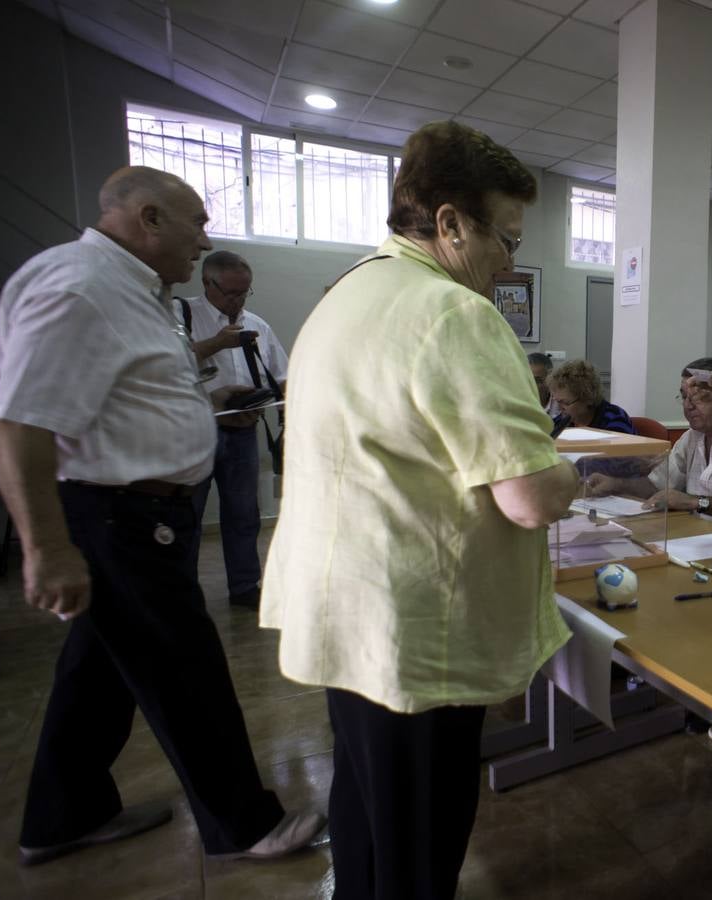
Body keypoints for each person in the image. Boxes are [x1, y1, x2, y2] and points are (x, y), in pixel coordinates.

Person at [259, 121, 579, 899]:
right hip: (416, 636)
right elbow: (530, 497)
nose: (509, 264)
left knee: (367, 811)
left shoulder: (348, 295)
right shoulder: (454, 313)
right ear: (448, 224)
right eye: (503, 239)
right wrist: (572, 470)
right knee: (422, 843)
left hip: (349, 614)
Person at [0, 166, 323, 866]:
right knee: (184, 670)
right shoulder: (79, 287)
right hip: (117, 517)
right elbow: (18, 422)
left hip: (135, 515)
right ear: (148, 217)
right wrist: (45, 549)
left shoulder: (130, 290)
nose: (205, 239)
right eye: (196, 221)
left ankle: (61, 815)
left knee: (99, 672)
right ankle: (245, 824)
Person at [182, 250, 288, 609]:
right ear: (207, 282)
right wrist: (217, 343)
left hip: (244, 432)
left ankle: (245, 586)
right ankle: (184, 593)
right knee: (188, 517)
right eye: (230, 293)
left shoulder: (258, 325)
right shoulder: (181, 315)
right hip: (193, 434)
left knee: (244, 514)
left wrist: (266, 403)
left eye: (244, 293)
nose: (237, 301)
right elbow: (165, 365)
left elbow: (282, 376)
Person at [583, 357, 712, 522]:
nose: (688, 405)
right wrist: (615, 484)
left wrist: (694, 502)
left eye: (698, 397)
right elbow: (657, 485)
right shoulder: (692, 436)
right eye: (685, 397)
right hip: (699, 534)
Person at [547, 358, 634, 437]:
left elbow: (617, 451)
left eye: (565, 403)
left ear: (588, 398)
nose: (559, 408)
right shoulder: (561, 421)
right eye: (557, 401)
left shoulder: (615, 419)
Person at [527, 351, 562, 419]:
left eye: (537, 380)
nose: (531, 385)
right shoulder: (516, 402)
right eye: (527, 380)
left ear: (550, 379)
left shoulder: (562, 402)